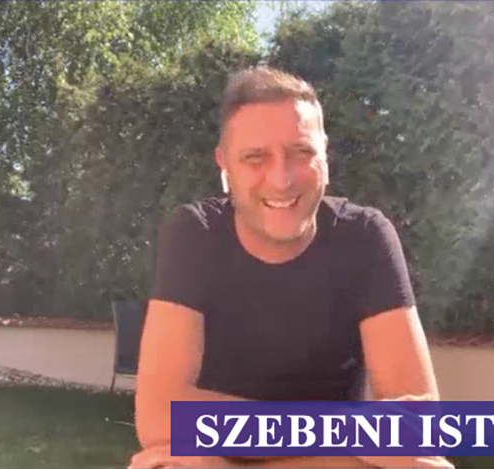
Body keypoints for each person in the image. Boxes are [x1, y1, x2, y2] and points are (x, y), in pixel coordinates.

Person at [129, 66, 452, 468]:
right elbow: (160, 417)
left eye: (301, 153)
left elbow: (417, 432)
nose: (281, 180)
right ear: (224, 164)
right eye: (255, 157)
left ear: (325, 154)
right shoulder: (195, 234)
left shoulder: (365, 237)